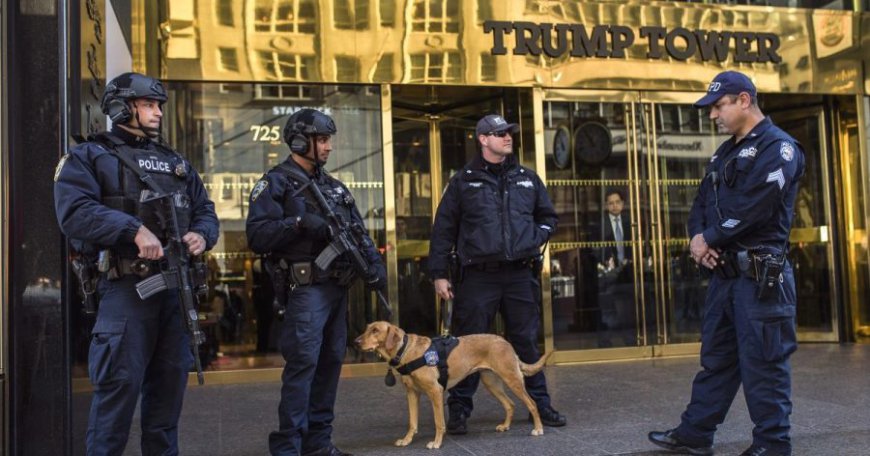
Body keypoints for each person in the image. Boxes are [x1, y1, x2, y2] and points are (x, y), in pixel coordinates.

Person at [54, 72, 220, 455]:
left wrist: (202, 234)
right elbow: (73, 213)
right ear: (120, 107)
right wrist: (132, 230)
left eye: (159, 105)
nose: (158, 112)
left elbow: (205, 210)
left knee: (165, 403)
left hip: (176, 293)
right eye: (149, 104)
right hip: (127, 292)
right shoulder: (89, 156)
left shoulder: (175, 162)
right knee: (116, 397)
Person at [648, 71, 804, 456]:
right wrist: (697, 240)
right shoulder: (725, 152)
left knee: (765, 364)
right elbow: (702, 203)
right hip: (725, 275)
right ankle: (695, 434)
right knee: (716, 360)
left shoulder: (779, 147)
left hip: (760, 277)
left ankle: (772, 444)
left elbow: (756, 206)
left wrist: (710, 238)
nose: (713, 115)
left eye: (719, 106)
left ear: (744, 101)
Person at [246, 108, 386, 456]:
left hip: (337, 288)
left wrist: (374, 264)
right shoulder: (276, 182)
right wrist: (297, 223)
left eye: (328, 140)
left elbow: (357, 230)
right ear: (299, 140)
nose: (328, 147)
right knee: (303, 366)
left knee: (330, 364)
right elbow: (257, 235)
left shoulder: (334, 187)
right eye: (321, 140)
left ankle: (319, 444)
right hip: (306, 290)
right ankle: (288, 447)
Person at [429, 113, 565, 435]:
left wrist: (536, 235)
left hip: (519, 274)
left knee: (527, 342)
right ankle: (459, 411)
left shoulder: (527, 178)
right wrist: (439, 273)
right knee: (468, 346)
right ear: (483, 139)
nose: (507, 137)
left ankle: (540, 405)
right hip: (478, 276)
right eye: (499, 133)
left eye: (509, 133)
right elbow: (443, 230)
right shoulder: (463, 181)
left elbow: (548, 217)